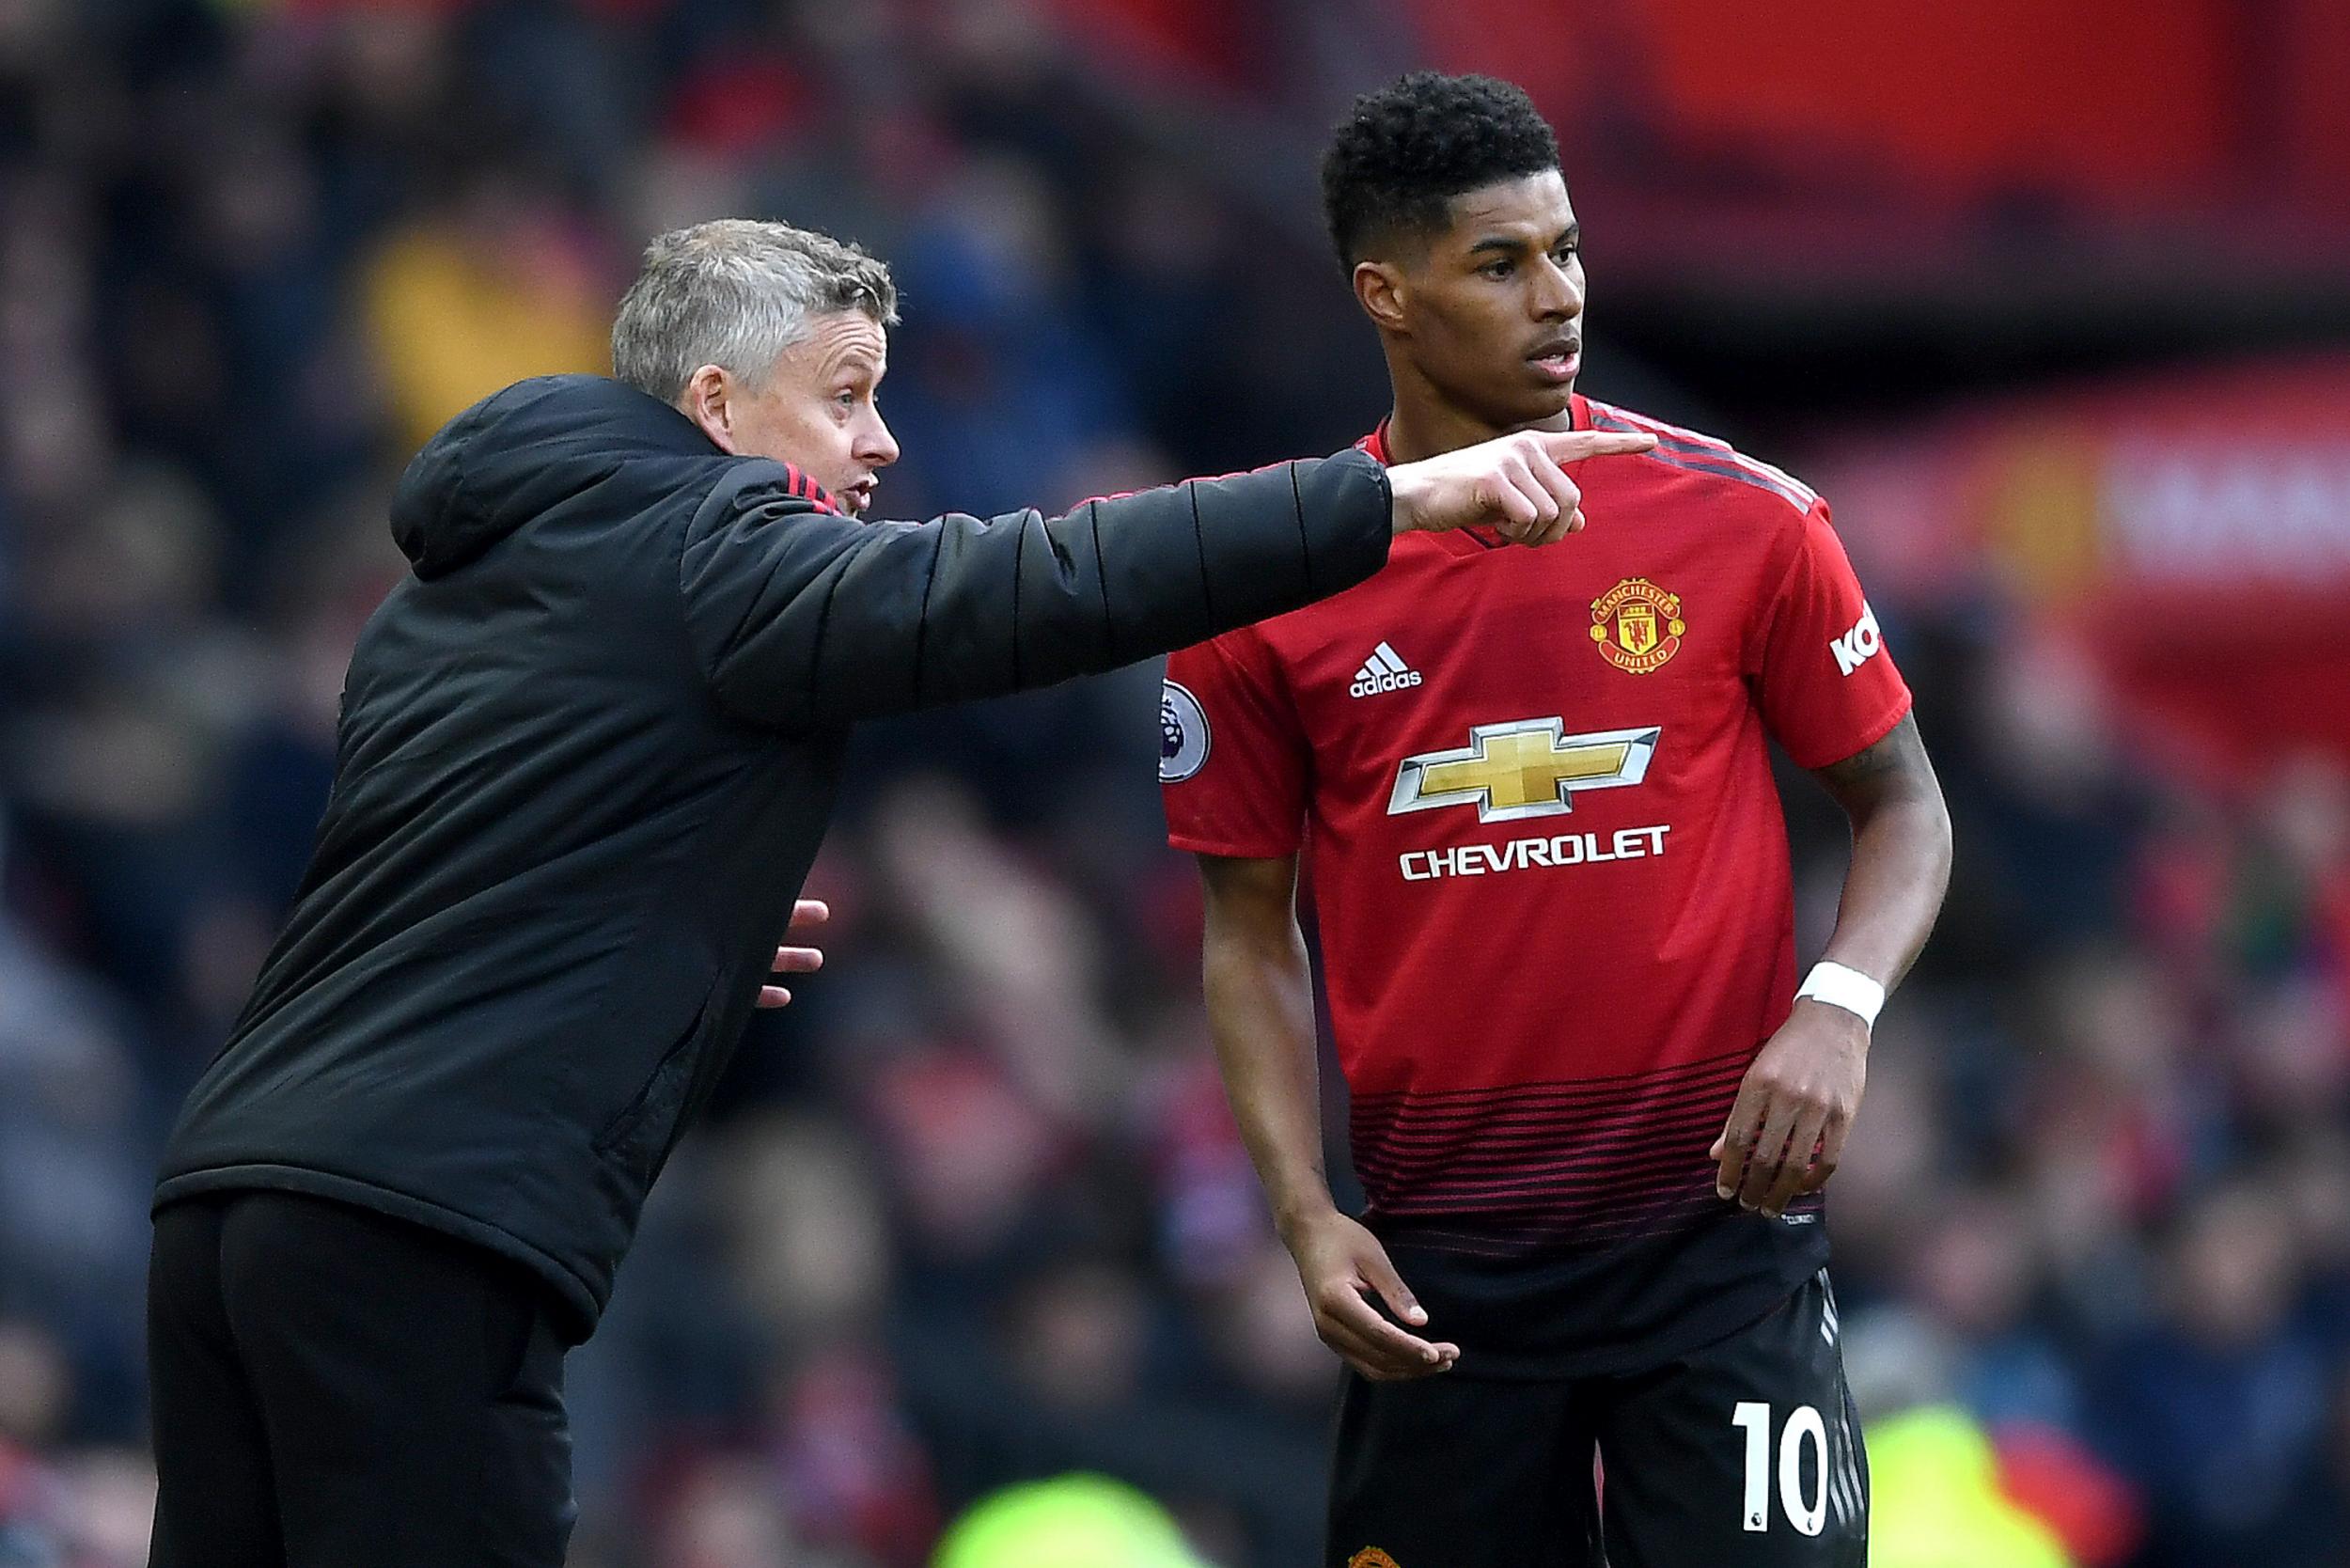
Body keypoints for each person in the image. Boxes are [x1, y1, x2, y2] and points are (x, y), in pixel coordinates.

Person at [143, 217, 1655, 1568]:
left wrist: (675, 933)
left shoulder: (449, 598)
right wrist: (1380, 501)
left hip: (231, 1204)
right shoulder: (716, 542)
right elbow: (1033, 584)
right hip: (426, 1229)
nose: (881, 445)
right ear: (719, 407)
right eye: (846, 395)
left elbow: (451, 879)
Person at [1159, 74, 1952, 1566]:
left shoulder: (1745, 520)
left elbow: (1904, 803)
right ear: (1386, 295)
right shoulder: (1266, 584)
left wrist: (1837, 1009)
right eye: (1502, 262)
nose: (1560, 294)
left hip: (1720, 1250)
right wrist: (1302, 1210)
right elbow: (1247, 931)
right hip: (1443, 1290)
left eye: (1568, 249)